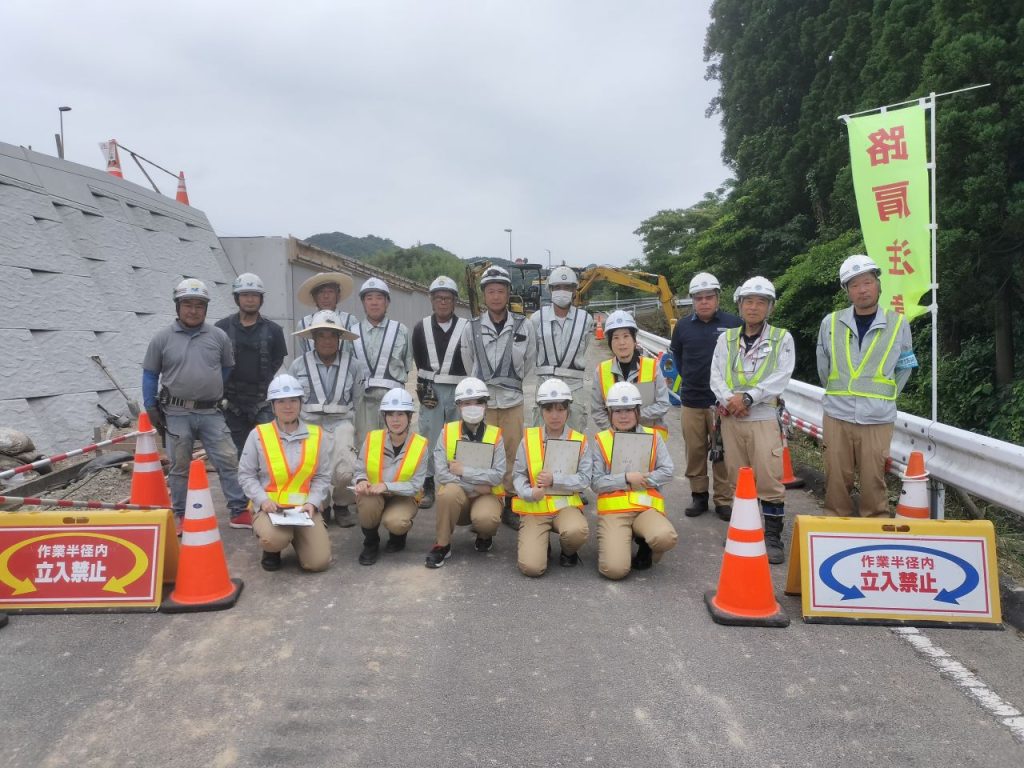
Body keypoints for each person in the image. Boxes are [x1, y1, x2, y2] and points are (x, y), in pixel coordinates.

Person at [142, 278, 249, 529]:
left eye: (199, 305)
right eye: (187, 304)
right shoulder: (162, 338)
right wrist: (150, 406)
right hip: (176, 412)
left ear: (206, 308)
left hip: (211, 411)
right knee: (179, 466)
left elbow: (226, 368)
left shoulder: (218, 337)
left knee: (229, 459)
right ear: (177, 306)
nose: (193, 310)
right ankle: (180, 513)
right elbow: (150, 374)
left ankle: (238, 510)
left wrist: (208, 389)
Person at [816, 254, 917, 517]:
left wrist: (884, 395)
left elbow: (905, 367)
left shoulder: (898, 323)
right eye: (855, 285)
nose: (862, 290)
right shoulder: (831, 322)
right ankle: (835, 530)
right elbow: (823, 366)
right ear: (846, 290)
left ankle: (874, 533)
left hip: (878, 417)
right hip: (837, 413)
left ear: (878, 284)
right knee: (836, 479)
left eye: (868, 282)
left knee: (874, 481)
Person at [710, 276, 795, 564]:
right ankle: (744, 528)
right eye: (749, 302)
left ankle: (772, 537)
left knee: (769, 478)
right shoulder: (727, 338)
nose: (754, 307)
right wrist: (730, 400)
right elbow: (716, 375)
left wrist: (747, 398)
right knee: (738, 478)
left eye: (761, 302)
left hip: (763, 417)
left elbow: (781, 376)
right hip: (732, 419)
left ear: (770, 307)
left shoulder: (782, 338)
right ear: (740, 305)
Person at [460, 266, 536, 531]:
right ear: (484, 296)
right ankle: (485, 504)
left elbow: (529, 361)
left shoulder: (524, 325)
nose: (495, 296)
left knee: (513, 453)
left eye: (500, 291)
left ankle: (511, 502)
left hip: (512, 401)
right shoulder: (471, 328)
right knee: (483, 452)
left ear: (508, 294)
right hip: (483, 405)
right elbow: (468, 360)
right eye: (490, 291)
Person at [237, 374, 332, 572]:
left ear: (300, 403)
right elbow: (246, 474)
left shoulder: (317, 435)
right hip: (271, 509)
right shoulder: (259, 435)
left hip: (304, 511)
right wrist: (262, 500)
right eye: (281, 401)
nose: (288, 406)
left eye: (293, 401)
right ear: (273, 405)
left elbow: (322, 476)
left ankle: (300, 538)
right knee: (274, 539)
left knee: (318, 563)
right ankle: (273, 550)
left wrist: (312, 502)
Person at [668, 272, 743, 521]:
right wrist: (690, 378)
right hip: (691, 399)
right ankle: (698, 495)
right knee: (695, 451)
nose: (704, 302)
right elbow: (677, 357)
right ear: (692, 300)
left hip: (722, 402)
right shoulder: (682, 326)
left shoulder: (734, 324)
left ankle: (723, 500)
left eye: (709, 296)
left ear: (717, 297)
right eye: (698, 298)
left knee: (723, 452)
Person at [589, 381, 678, 580]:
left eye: (629, 410)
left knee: (665, 537)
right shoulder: (601, 440)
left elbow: (668, 471)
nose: (623, 415)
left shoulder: (654, 436)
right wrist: (627, 479)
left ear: (638, 411)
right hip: (614, 512)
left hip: (645, 509)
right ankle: (619, 539)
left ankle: (646, 544)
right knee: (614, 570)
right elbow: (596, 482)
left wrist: (645, 479)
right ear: (610, 413)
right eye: (617, 410)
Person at [290, 309, 367, 528]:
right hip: (309, 423)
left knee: (346, 469)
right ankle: (320, 505)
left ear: (339, 339)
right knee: (313, 468)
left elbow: (358, 399)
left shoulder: (354, 365)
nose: (327, 340)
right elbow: (292, 401)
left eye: (332, 335)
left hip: (341, 422)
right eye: (321, 335)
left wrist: (354, 427)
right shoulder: (298, 365)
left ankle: (342, 504)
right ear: (313, 338)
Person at [511, 379, 591, 576]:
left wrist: (555, 480)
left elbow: (585, 479)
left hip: (566, 506)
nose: (555, 415)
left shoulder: (579, 441)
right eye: (549, 409)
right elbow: (518, 475)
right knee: (531, 567)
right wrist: (528, 492)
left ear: (568, 411)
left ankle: (568, 551)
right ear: (541, 412)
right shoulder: (528, 439)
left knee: (577, 531)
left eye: (560, 409)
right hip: (535, 507)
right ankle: (541, 541)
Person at [425, 377, 506, 568]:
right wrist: (475, 486)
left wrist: (463, 471)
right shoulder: (447, 432)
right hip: (461, 499)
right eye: (467, 403)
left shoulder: (495, 435)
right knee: (447, 492)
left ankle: (484, 535)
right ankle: (442, 545)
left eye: (478, 402)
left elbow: (497, 475)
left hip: (487, 498)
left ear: (486, 405)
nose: (473, 407)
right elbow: (442, 474)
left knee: (486, 519)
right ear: (459, 406)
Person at [410, 275, 469, 510]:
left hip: (459, 390)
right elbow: (418, 360)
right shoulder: (420, 327)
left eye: (447, 298)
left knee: (460, 437)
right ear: (431, 300)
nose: (443, 302)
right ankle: (428, 483)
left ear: (454, 301)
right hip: (431, 391)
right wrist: (422, 389)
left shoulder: (466, 327)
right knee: (429, 437)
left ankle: (458, 482)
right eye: (438, 298)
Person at [353, 388, 429, 565]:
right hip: (375, 494)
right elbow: (359, 468)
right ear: (384, 417)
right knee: (366, 499)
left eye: (401, 414)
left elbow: (416, 485)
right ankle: (371, 542)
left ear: (409, 417)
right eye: (390, 414)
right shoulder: (372, 439)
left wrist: (387, 486)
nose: (395, 420)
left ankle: (397, 536)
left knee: (396, 521)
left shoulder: (420, 445)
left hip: (403, 497)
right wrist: (361, 480)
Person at [215, 272, 287, 456]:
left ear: (261, 299)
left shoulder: (274, 330)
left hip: (262, 403)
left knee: (269, 453)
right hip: (231, 405)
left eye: (254, 295)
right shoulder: (221, 328)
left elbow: (277, 359)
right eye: (245, 295)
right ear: (237, 298)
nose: (250, 300)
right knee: (236, 455)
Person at [530, 265, 594, 432]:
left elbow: (584, 346)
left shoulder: (585, 319)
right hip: (544, 386)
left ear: (574, 290)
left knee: (574, 439)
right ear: (549, 290)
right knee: (540, 439)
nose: (562, 291)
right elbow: (533, 349)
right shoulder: (537, 318)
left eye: (567, 287)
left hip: (574, 389)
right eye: (557, 287)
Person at [351, 277, 413, 446]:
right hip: (363, 402)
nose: (374, 303)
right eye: (369, 298)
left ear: (387, 302)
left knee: (396, 445)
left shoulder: (401, 331)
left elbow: (407, 366)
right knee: (366, 446)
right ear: (363, 303)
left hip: (394, 403)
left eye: (379, 298)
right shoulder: (352, 333)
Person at [591, 310, 670, 438]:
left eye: (626, 336)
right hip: (616, 437)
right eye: (616, 338)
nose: (621, 342)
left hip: (648, 436)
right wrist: (614, 430)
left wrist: (634, 416)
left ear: (634, 340)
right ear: (610, 342)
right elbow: (597, 411)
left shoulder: (652, 367)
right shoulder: (601, 371)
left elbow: (663, 404)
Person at [295, 272, 356, 355]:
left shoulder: (350, 321)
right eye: (321, 292)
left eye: (330, 291)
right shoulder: (303, 324)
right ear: (314, 297)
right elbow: (304, 352)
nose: (326, 296)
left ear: (338, 296)